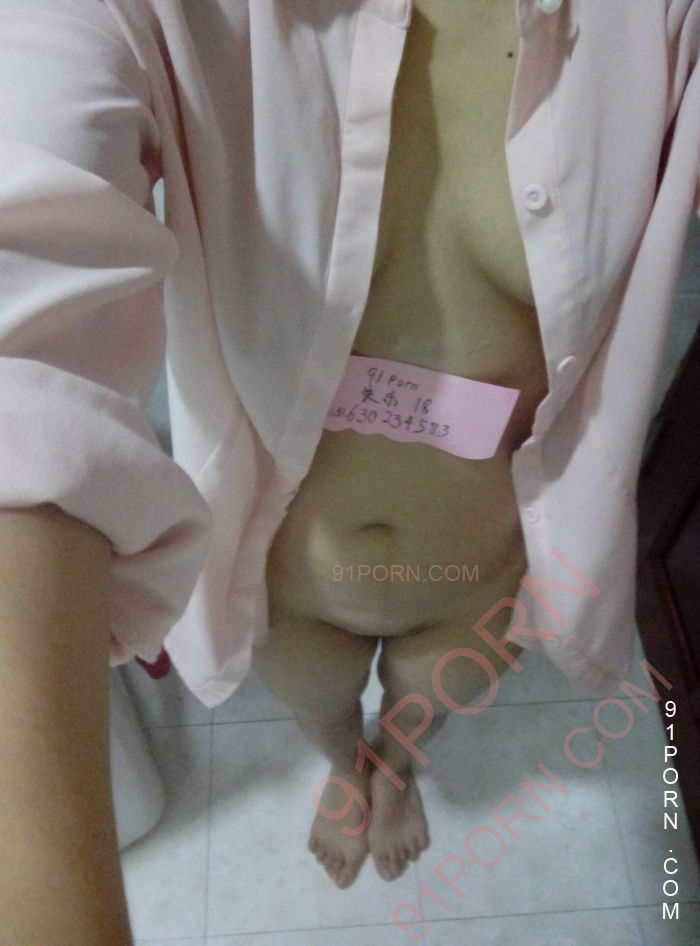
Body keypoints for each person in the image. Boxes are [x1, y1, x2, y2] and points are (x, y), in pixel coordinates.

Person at [1, 0, 699, 939]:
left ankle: (394, 769)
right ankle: (345, 770)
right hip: (289, 581)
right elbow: (19, 292)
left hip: (478, 576)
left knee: (425, 702)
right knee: (318, 703)